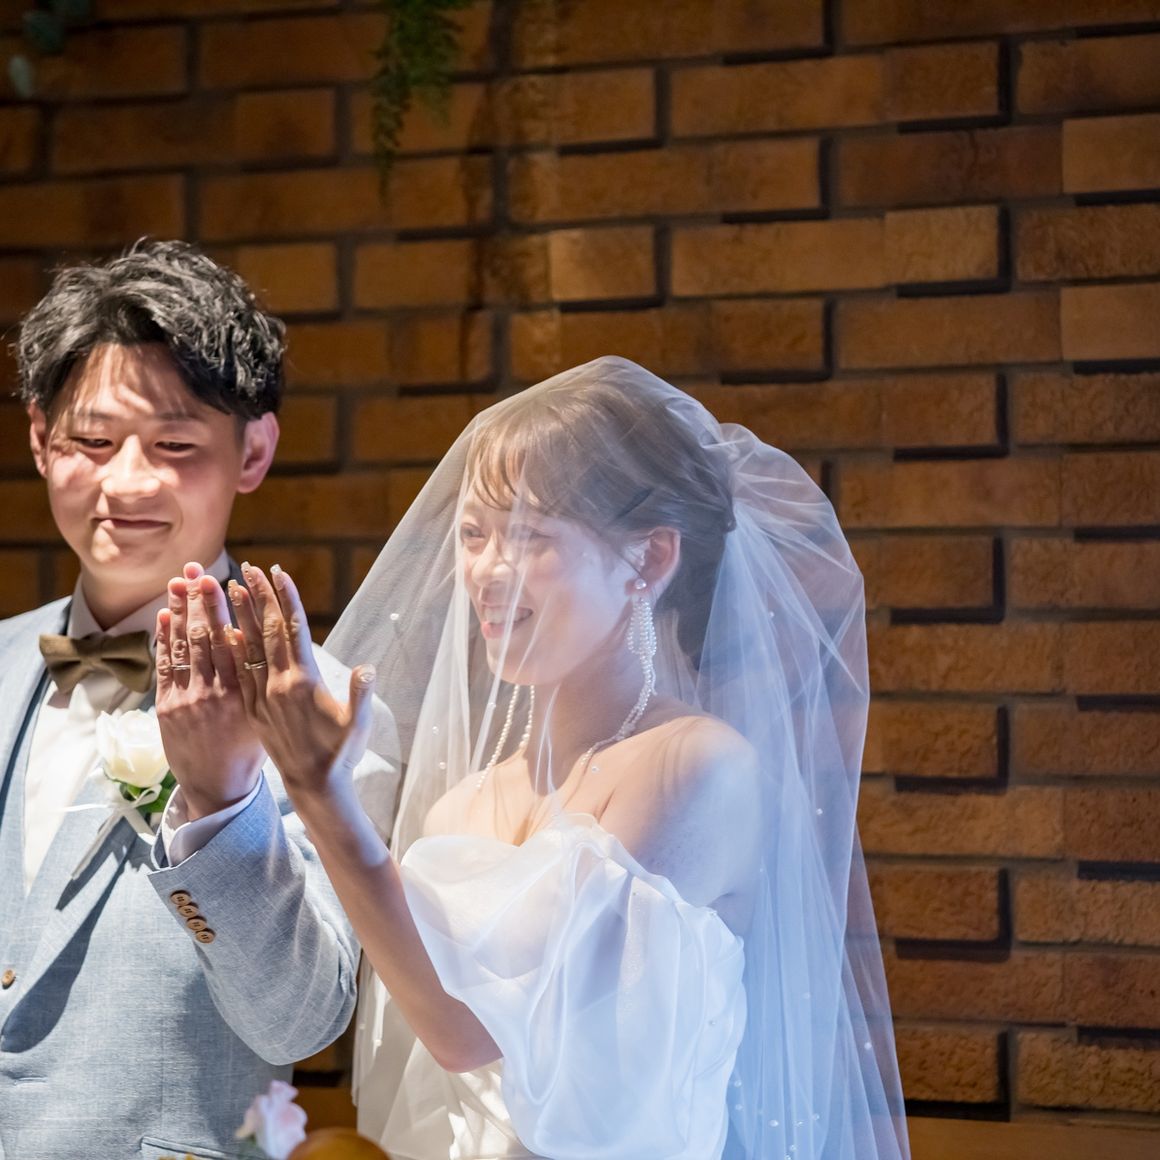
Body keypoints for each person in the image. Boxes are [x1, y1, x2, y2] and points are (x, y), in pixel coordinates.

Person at [198, 356, 908, 1159]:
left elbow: (467, 1032)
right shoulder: (461, 805)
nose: (486, 572)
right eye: (475, 534)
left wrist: (322, 794)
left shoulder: (697, 769)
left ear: (650, 560)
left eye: (530, 535)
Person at [0, 239, 398, 1160]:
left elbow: (300, 1021)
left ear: (253, 451)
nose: (127, 482)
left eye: (175, 446)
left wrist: (222, 803)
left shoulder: (324, 707)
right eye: (92, 442)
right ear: (40, 439)